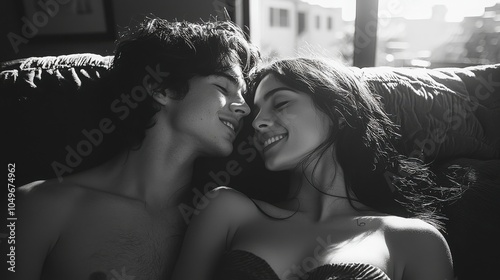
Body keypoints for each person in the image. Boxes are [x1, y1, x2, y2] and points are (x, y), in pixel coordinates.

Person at [15, 16, 260, 280]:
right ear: (161, 88)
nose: (244, 107)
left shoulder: (221, 223)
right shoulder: (39, 206)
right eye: (223, 86)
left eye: (244, 95)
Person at [172, 58, 454, 280]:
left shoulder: (413, 240)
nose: (257, 123)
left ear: (339, 113)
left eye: (280, 103)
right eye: (256, 114)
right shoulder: (226, 209)